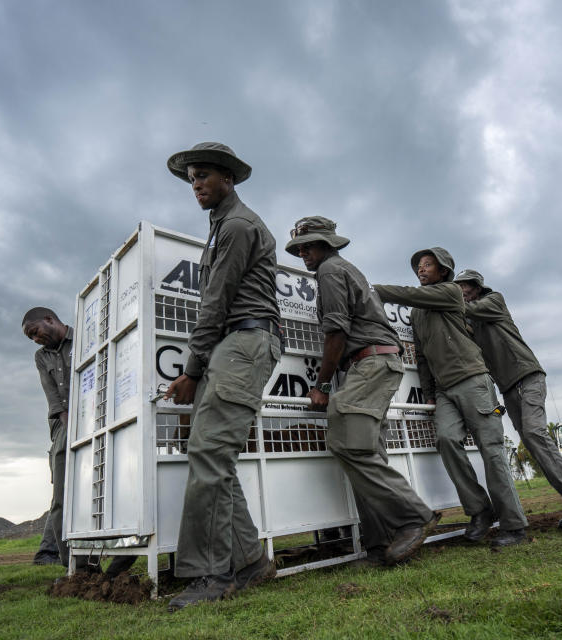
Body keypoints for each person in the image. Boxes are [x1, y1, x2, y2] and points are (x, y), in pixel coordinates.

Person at [162, 142, 282, 612]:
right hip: (233, 343)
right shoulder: (221, 227)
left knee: (210, 451)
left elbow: (215, 301)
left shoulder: (236, 225)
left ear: (228, 179)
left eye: (204, 175)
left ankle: (211, 574)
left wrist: (191, 369)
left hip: (244, 341)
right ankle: (249, 560)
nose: (196, 184)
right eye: (192, 177)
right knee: (211, 453)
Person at [285, 217, 437, 566]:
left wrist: (321, 386)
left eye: (309, 246)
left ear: (327, 244)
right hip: (374, 363)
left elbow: (336, 331)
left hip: (371, 363)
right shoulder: (345, 269)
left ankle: (414, 517)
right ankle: (380, 545)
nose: (304, 253)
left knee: (348, 444)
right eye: (300, 248)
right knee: (367, 451)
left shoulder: (329, 271)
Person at [375, 248, 528, 547]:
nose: (421, 269)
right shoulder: (418, 311)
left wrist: (376, 290)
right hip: (445, 391)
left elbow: (408, 294)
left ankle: (513, 524)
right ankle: (480, 511)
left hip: (474, 380)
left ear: (443, 271)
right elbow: (421, 356)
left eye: (428, 265)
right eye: (419, 266)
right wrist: (430, 394)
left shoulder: (449, 293)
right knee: (445, 440)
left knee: (492, 450)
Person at [453, 269, 562, 529]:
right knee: (532, 441)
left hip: (527, 377)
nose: (460, 291)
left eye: (464, 286)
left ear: (476, 287)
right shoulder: (472, 321)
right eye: (457, 287)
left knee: (534, 433)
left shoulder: (494, 301)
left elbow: (467, 310)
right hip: (508, 388)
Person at [23, 308, 136, 576]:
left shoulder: (87, 339)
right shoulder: (41, 357)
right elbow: (53, 397)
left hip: (103, 418)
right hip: (64, 425)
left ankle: (124, 559)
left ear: (49, 320)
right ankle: (78, 567)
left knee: (121, 485)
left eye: (35, 332)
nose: (35, 339)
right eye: (30, 338)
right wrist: (72, 429)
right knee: (64, 494)